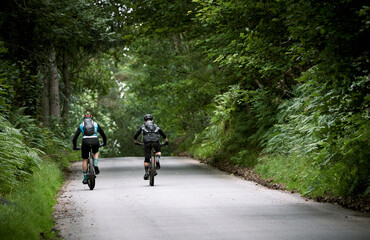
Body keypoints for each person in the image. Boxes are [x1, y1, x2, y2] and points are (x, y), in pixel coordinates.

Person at [73, 113, 107, 184]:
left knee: (85, 159)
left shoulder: (81, 125)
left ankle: (85, 178)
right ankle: (96, 164)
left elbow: (74, 138)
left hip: (85, 142)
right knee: (95, 152)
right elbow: (103, 134)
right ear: (91, 118)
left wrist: (75, 146)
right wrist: (104, 143)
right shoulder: (95, 124)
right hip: (95, 140)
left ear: (84, 118)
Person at [134, 114, 168, 180]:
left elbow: (135, 135)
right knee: (158, 151)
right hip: (156, 141)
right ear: (152, 120)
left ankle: (146, 172)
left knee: (147, 158)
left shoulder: (143, 127)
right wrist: (166, 141)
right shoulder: (156, 126)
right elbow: (163, 134)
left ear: (144, 120)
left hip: (147, 142)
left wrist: (135, 142)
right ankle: (157, 159)